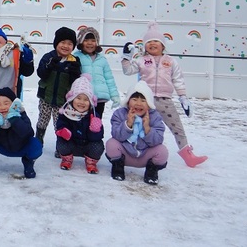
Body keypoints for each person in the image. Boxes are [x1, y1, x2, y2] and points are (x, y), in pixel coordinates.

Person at [122, 21, 208, 168]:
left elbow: (178, 79)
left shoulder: (170, 61)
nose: (152, 44)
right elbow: (128, 70)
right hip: (145, 101)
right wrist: (126, 57)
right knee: (140, 126)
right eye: (149, 42)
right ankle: (134, 152)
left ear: (163, 45)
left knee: (177, 127)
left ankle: (188, 156)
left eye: (156, 41)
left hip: (165, 100)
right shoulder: (142, 60)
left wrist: (183, 97)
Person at [105, 81, 169, 185]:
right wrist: (128, 124)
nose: (138, 103)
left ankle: (151, 172)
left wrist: (147, 128)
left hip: (145, 156)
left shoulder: (155, 117)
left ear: (149, 104)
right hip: (126, 154)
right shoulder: (119, 114)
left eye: (143, 100)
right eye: (134, 99)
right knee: (111, 143)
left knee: (162, 151)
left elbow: (158, 140)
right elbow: (116, 135)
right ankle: (118, 168)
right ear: (128, 101)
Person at [35, 26, 81, 149]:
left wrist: (75, 72)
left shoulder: (74, 61)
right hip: (46, 96)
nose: (66, 46)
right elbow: (40, 73)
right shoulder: (48, 57)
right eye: (62, 42)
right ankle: (38, 140)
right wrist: (50, 66)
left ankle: (60, 145)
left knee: (60, 123)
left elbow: (75, 81)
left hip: (62, 99)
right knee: (43, 119)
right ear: (56, 43)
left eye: (70, 43)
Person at [55, 74, 104, 173]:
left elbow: (99, 137)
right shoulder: (66, 113)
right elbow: (60, 125)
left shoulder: (93, 115)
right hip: (71, 143)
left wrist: (95, 131)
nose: (82, 102)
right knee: (61, 143)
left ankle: (91, 162)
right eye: (78, 98)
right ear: (72, 99)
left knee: (98, 146)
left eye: (86, 99)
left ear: (91, 102)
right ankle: (67, 159)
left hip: (87, 145)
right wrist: (63, 131)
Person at [73, 26, 120, 118]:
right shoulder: (76, 57)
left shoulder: (102, 59)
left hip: (99, 98)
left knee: (96, 124)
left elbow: (109, 79)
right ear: (81, 42)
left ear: (97, 42)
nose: (90, 43)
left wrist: (115, 95)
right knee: (81, 124)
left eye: (93, 40)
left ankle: (96, 133)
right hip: (83, 98)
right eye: (86, 40)